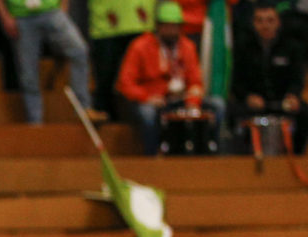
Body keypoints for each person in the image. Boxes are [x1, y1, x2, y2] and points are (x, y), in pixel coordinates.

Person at [117, 1, 224, 154]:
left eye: (175, 27)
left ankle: (213, 152)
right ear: (158, 26)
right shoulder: (140, 46)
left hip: (180, 99)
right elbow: (125, 83)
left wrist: (193, 99)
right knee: (147, 113)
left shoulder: (187, 46)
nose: (172, 31)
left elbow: (195, 80)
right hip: (151, 100)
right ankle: (152, 156)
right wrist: (146, 97)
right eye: (167, 26)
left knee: (217, 105)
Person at [0, 0, 104, 124]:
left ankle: (83, 108)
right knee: (28, 73)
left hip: (51, 11)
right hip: (21, 16)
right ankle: (35, 123)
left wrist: (63, 7)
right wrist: (4, 16)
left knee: (79, 51)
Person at [230, 0, 308, 154]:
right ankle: (241, 159)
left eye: (270, 20)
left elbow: (297, 79)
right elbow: (236, 83)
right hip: (256, 104)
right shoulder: (244, 47)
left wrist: (293, 96)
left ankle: (297, 157)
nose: (265, 25)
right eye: (260, 21)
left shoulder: (292, 47)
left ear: (278, 23)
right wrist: (248, 97)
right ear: (253, 24)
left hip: (282, 103)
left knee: (304, 112)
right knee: (232, 112)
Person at [88, 0, 155, 119]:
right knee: (106, 78)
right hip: (106, 22)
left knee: (146, 78)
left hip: (140, 19)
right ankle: (106, 115)